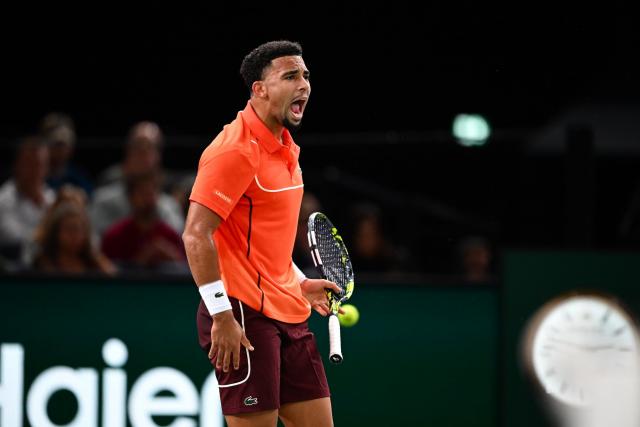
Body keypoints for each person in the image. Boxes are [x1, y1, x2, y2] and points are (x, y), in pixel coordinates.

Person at [183, 41, 338, 426]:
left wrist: (300, 282)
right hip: (242, 314)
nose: (304, 85)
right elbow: (196, 235)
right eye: (290, 76)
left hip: (289, 310)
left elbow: (264, 242)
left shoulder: (286, 149)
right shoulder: (233, 152)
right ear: (259, 89)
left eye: (305, 76)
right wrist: (220, 315)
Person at [101, 170, 186, 273]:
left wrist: (172, 257)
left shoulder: (170, 235)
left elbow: (184, 272)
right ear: (130, 198)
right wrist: (139, 262)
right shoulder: (114, 236)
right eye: (142, 193)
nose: (148, 199)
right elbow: (106, 274)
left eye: (151, 193)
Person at [0, 137, 55, 265]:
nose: (36, 170)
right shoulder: (3, 201)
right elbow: (14, 241)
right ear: (17, 165)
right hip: (15, 277)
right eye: (30, 163)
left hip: (51, 273)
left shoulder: (52, 198)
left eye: (41, 164)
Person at [32, 201, 116, 275]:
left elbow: (112, 279)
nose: (75, 236)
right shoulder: (43, 263)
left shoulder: (95, 261)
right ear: (55, 232)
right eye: (69, 229)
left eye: (79, 230)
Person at [39, 112, 93, 196]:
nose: (61, 150)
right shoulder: (35, 178)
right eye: (57, 144)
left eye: (65, 145)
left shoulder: (79, 178)